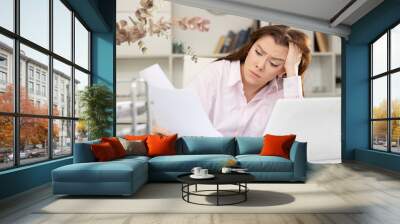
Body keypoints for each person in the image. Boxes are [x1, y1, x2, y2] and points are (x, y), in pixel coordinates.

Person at [154, 25, 311, 137]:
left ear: (282, 70)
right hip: (205, 162)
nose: (260, 65)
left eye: (274, 63)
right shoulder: (217, 73)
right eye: (258, 52)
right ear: (250, 48)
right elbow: (184, 120)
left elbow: (298, 135)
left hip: (255, 168)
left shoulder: (284, 93)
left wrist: (292, 72)